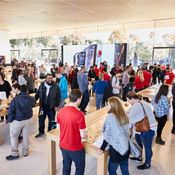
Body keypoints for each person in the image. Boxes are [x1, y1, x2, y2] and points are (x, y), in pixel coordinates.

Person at [57, 89, 87, 175]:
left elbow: (59, 128)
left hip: (63, 145)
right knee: (79, 168)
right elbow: (83, 135)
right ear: (78, 99)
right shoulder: (80, 114)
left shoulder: (61, 111)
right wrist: (86, 134)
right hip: (75, 147)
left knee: (66, 166)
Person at [127, 92, 157, 170]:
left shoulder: (136, 106)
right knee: (139, 141)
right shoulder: (141, 102)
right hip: (145, 128)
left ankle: (147, 163)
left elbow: (129, 119)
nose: (128, 102)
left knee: (147, 147)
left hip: (147, 129)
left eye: (128, 100)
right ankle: (139, 157)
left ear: (132, 99)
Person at [100, 97, 130, 175]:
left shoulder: (110, 116)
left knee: (111, 170)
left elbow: (107, 135)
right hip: (126, 148)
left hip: (117, 151)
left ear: (111, 106)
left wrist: (102, 148)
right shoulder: (123, 115)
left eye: (108, 104)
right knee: (124, 168)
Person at [6, 85, 35, 160]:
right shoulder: (30, 98)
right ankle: (25, 152)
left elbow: (11, 112)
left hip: (18, 120)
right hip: (28, 119)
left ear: (19, 89)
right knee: (26, 136)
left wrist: (10, 120)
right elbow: (33, 104)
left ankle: (14, 154)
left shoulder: (15, 100)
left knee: (14, 136)